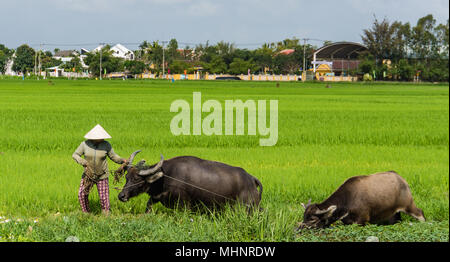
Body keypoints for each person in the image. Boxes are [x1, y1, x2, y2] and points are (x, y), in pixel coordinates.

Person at [72, 124, 127, 215]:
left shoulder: (106, 145)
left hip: (102, 175)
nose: (102, 139)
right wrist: (82, 161)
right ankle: (86, 214)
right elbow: (75, 155)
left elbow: (114, 156)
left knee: (104, 197)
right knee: (82, 194)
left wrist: (122, 160)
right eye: (100, 137)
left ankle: (106, 216)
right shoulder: (84, 144)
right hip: (88, 175)